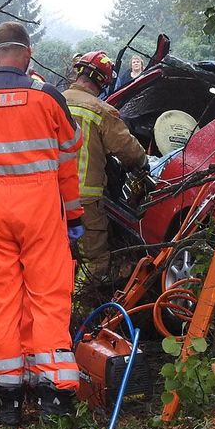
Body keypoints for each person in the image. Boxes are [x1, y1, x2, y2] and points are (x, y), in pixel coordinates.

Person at [0, 22, 83, 425]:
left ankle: (6, 394)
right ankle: (54, 393)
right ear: (27, 54)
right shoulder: (47, 97)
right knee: (47, 295)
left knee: (0, 298)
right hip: (39, 205)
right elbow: (68, 159)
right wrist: (74, 216)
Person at [63, 51, 149, 287]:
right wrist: (143, 163)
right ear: (102, 82)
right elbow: (129, 150)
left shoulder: (52, 101)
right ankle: (78, 315)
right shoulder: (100, 110)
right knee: (94, 261)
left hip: (46, 196)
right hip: (84, 201)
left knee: (54, 255)